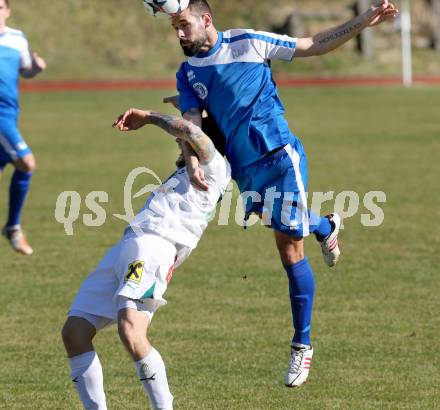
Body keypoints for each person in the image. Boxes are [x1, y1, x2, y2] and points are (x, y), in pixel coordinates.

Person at [170, 0, 398, 387]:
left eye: (184, 25)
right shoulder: (187, 72)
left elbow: (312, 44)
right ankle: (325, 225)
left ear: (205, 19)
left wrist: (363, 20)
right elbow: (192, 124)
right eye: (174, 27)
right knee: (280, 225)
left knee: (290, 247)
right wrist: (191, 160)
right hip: (243, 167)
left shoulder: (248, 42)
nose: (178, 34)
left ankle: (302, 346)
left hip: (279, 154)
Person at [61, 108, 230, 410]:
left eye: (182, 141)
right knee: (75, 332)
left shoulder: (216, 166)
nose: (178, 142)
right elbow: (189, 131)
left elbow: (190, 132)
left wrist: (148, 116)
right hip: (128, 245)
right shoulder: (190, 166)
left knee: (131, 331)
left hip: (156, 247)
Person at [0, 0, 46, 255]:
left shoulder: (17, 39)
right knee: (27, 163)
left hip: (10, 113)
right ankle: (14, 227)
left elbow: (25, 71)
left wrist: (35, 69)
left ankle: (12, 228)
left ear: (7, 10)